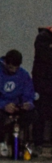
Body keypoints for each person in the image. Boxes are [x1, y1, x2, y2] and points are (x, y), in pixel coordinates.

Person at [0, 49, 38, 157]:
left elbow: (29, 93)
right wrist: (3, 105)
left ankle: (13, 134)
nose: (13, 71)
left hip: (16, 106)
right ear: (5, 63)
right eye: (11, 68)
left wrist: (27, 103)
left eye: (16, 68)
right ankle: (0, 139)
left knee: (33, 114)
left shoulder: (23, 74)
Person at [31, 26, 52, 155]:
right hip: (42, 84)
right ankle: (37, 144)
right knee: (39, 115)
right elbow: (45, 56)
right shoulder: (43, 37)